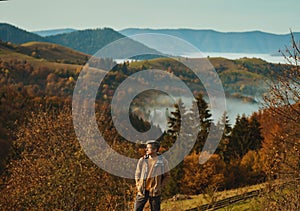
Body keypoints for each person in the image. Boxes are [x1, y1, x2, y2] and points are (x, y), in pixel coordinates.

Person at [134, 140, 170, 211]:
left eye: (148, 148)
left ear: (155, 149)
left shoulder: (163, 162)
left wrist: (160, 187)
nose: (146, 149)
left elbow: (167, 176)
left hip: (155, 191)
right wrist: (138, 185)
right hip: (142, 190)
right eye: (146, 147)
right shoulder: (142, 160)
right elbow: (137, 174)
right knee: (137, 209)